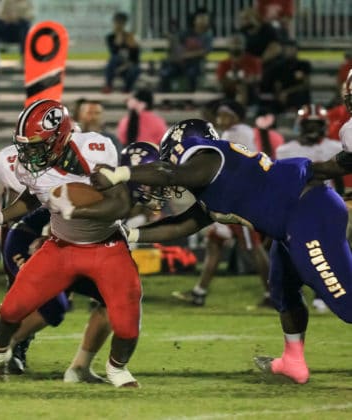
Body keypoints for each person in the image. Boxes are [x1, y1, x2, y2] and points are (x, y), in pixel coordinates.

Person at [92, 118, 352, 384]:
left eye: (170, 155)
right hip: (292, 219)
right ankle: (293, 361)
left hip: (308, 211)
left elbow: (171, 173)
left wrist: (119, 174)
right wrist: (130, 235)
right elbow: (184, 224)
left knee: (343, 298)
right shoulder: (213, 182)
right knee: (283, 290)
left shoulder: (205, 154)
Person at [0, 99, 142, 388]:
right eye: (25, 144)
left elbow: (120, 205)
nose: (28, 152)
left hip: (106, 247)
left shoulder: (93, 150)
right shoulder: (28, 165)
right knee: (11, 309)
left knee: (127, 326)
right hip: (61, 247)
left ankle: (116, 369)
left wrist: (78, 210)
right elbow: (34, 195)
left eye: (35, 144)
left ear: (59, 138)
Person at [0, 144, 112, 381]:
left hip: (65, 248)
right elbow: (31, 207)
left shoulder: (100, 177)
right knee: (52, 306)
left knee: (113, 298)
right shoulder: (56, 176)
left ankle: (80, 368)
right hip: (28, 241)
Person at [172, 102, 272, 308]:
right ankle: (199, 292)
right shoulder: (233, 132)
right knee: (214, 243)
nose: (220, 117)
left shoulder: (238, 132)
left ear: (236, 116)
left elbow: (236, 165)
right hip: (229, 199)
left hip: (238, 200)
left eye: (224, 114)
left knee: (252, 247)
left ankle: (275, 294)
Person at [276, 104, 343, 314]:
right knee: (295, 256)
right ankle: (291, 295)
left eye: (317, 124)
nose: (313, 128)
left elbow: (338, 180)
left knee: (327, 255)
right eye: (309, 124)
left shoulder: (334, 146)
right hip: (295, 210)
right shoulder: (286, 150)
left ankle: (325, 295)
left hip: (325, 207)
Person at [159, 8, 213, 92]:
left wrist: (185, 55)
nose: (203, 21)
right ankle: (166, 100)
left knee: (191, 74)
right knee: (166, 73)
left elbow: (205, 52)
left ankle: (189, 101)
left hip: (195, 65)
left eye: (205, 19)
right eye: (201, 18)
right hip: (179, 64)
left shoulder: (207, 36)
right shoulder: (185, 33)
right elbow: (176, 47)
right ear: (194, 20)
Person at [216, 34, 262, 107]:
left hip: (249, 91)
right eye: (234, 43)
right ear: (229, 45)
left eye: (239, 43)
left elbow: (257, 77)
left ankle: (240, 110)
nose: (236, 46)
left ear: (244, 45)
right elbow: (220, 80)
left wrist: (244, 81)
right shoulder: (224, 63)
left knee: (243, 87)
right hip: (229, 91)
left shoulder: (253, 60)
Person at [267, 39, 312, 112]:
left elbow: (306, 85)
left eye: (291, 48)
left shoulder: (304, 65)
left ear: (296, 50)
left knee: (300, 96)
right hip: (282, 96)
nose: (289, 51)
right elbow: (276, 85)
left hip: (297, 94)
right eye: (287, 49)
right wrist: (279, 94)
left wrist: (287, 92)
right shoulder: (278, 67)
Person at [102, 12, 141, 94]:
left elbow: (136, 56)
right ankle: (109, 85)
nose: (119, 25)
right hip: (116, 66)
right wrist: (118, 36)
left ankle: (127, 89)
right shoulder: (110, 37)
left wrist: (132, 46)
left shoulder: (130, 37)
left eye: (121, 23)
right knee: (114, 58)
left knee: (136, 69)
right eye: (117, 22)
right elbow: (113, 51)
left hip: (128, 65)